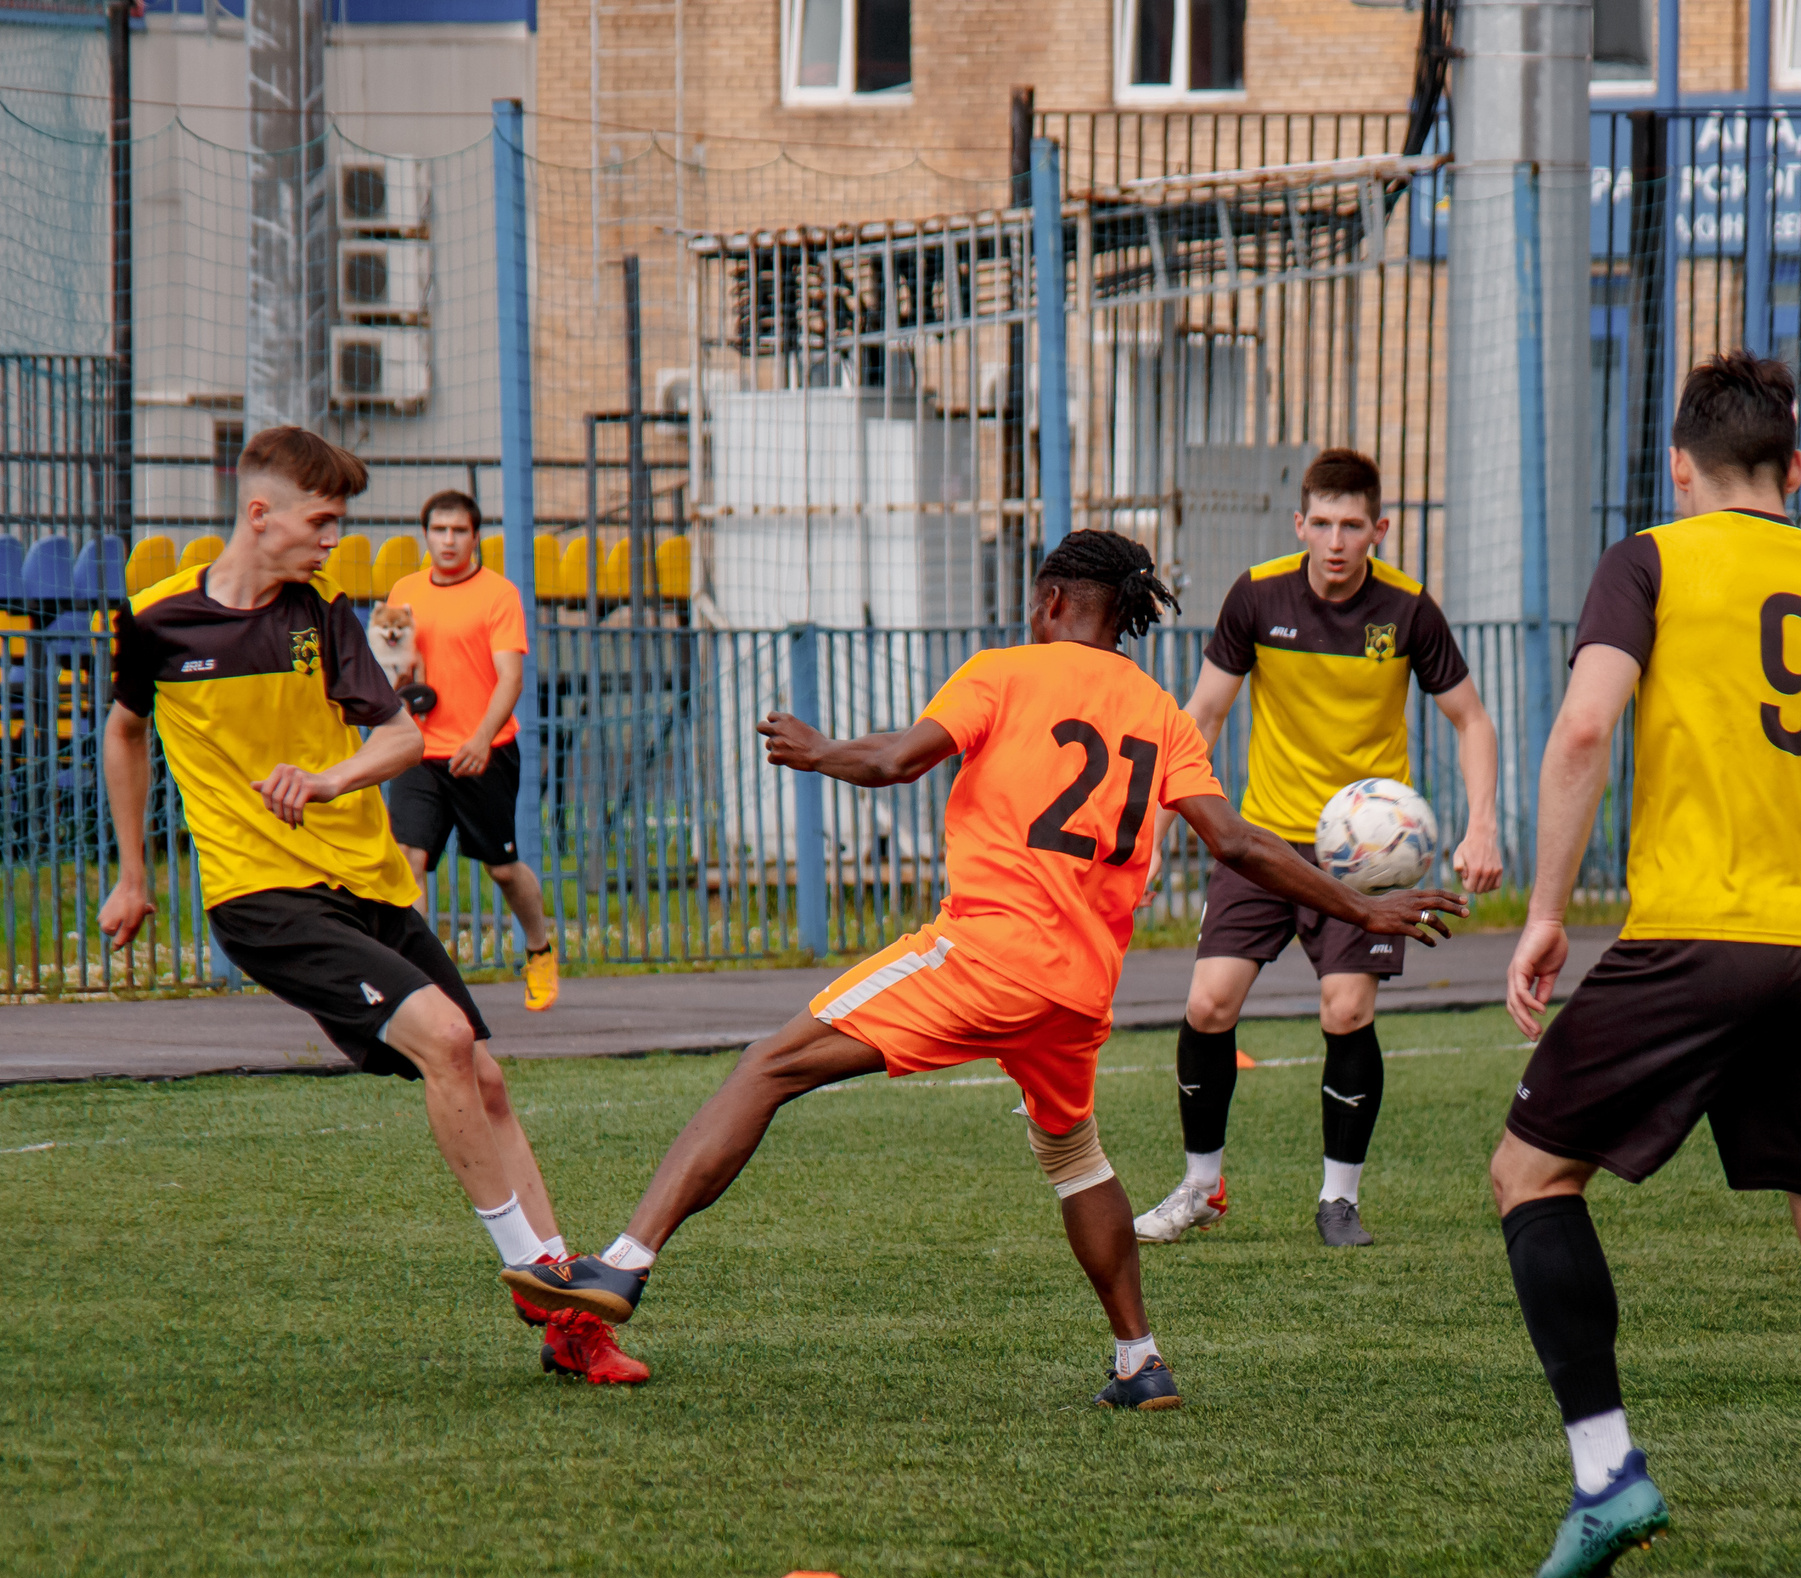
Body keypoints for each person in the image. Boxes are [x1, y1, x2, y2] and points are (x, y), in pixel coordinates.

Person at [500, 531, 1465, 1407]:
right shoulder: (1163, 712)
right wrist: (1361, 903)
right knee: (1076, 1156)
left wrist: (818, 750)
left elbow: (897, 762)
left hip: (987, 953)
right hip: (1080, 990)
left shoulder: (1007, 671)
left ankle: (621, 1265)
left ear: (1051, 602)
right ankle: (1140, 1360)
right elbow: (1238, 842)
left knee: (767, 1065)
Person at [1491, 353, 1801, 1578]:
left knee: (1530, 1174)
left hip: (1691, 938)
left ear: (1678, 467)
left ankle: (1606, 1472)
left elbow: (1585, 726)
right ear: (1796, 468)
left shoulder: (1650, 559)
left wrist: (1546, 913)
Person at [96, 427, 642, 1384]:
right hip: (261, 894)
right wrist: (134, 874)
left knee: (485, 1074)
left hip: (368, 881)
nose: (333, 539)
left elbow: (399, 740)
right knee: (440, 1037)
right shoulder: (152, 620)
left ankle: (570, 1328)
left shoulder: (324, 618)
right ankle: (530, 1270)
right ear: (260, 514)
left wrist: (328, 776)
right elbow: (127, 728)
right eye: (323, 520)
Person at [1131, 447, 1502, 1250]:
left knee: (1346, 1010)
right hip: (1262, 839)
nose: (1336, 541)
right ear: (1300, 523)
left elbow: (1471, 718)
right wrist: (1157, 831)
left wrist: (1483, 823)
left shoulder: (1409, 610)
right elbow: (1202, 717)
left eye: (1353, 526)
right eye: (1322, 523)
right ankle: (1201, 1184)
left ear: (1380, 529)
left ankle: (1338, 1199)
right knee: (1207, 1005)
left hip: (1365, 859)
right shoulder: (1258, 595)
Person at [384, 491, 560, 1013]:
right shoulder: (405, 590)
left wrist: (482, 738)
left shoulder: (497, 595)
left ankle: (539, 949)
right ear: (426, 535)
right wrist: (399, 683)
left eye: (459, 531)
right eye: (439, 530)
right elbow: (397, 669)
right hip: (421, 752)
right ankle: (419, 981)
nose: (448, 540)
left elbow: (510, 678)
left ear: (475, 537)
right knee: (407, 861)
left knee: (502, 870)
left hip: (486, 751)